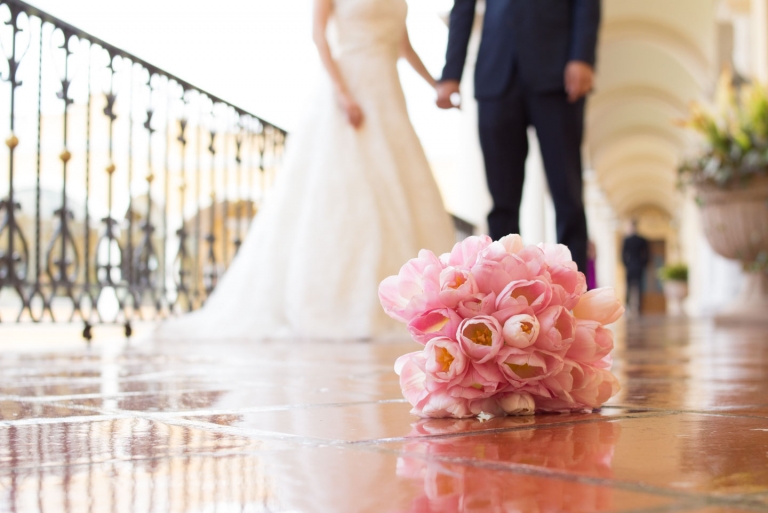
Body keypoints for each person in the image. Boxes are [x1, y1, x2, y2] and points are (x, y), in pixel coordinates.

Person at [158, 0, 455, 341]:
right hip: (351, 89)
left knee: (402, 191)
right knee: (347, 192)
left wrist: (436, 84)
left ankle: (416, 302)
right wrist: (343, 94)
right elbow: (320, 37)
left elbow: (404, 46)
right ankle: (343, 301)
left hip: (387, 94)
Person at [436, 0, 601, 274]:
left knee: (567, 195)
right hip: (495, 73)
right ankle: (503, 294)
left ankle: (574, 299)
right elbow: (463, 6)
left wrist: (582, 56)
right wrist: (450, 73)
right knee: (501, 203)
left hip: (558, 72)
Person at [622, 220, 650, 316]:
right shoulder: (630, 240)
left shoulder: (637, 240)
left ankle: (636, 308)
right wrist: (642, 264)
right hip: (636, 266)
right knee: (632, 287)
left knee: (637, 287)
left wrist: (627, 264)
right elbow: (623, 255)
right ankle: (633, 307)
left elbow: (646, 254)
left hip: (633, 266)